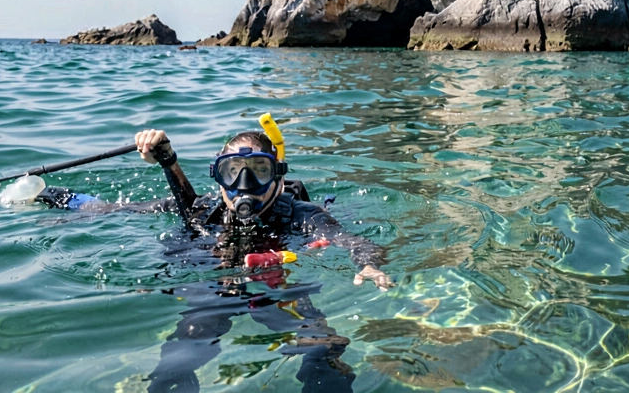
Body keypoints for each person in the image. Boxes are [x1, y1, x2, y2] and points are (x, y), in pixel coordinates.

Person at [37, 127, 393, 393]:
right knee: (177, 360)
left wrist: (368, 263)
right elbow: (112, 209)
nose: (244, 183)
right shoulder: (203, 211)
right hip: (213, 287)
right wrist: (53, 195)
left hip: (280, 287)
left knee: (321, 345)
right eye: (232, 171)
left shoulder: (300, 213)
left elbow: (351, 240)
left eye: (259, 171)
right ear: (217, 175)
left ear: (278, 177)